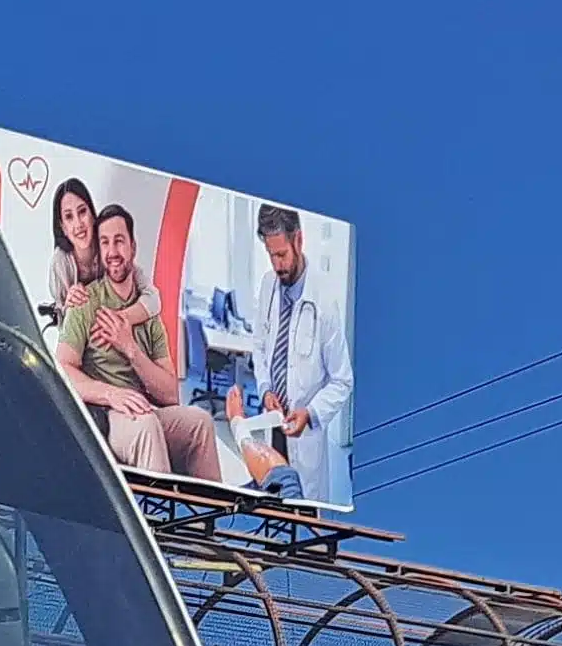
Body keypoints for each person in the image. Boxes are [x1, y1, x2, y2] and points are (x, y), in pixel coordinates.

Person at [60, 203, 221, 483]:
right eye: (105, 243)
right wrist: (111, 394)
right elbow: (62, 368)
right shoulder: (86, 302)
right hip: (108, 416)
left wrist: (131, 349)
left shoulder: (148, 315)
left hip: (144, 409)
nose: (113, 252)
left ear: (133, 247)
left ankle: (207, 521)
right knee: (146, 426)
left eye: (119, 241)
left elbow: (171, 393)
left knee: (201, 422)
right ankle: (154, 525)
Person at [236, 204, 353, 510]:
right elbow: (260, 347)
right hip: (273, 425)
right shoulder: (267, 284)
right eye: (271, 255)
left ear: (298, 241)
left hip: (304, 435)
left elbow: (342, 380)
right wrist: (265, 390)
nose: (277, 265)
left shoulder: (325, 302)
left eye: (282, 255)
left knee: (302, 514)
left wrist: (310, 413)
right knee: (270, 507)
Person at [40, 176, 99, 328]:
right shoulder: (60, 261)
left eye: (82, 212)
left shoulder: (108, 244)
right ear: (63, 227)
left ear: (92, 214)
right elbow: (63, 329)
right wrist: (68, 306)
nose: (78, 224)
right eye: (69, 217)